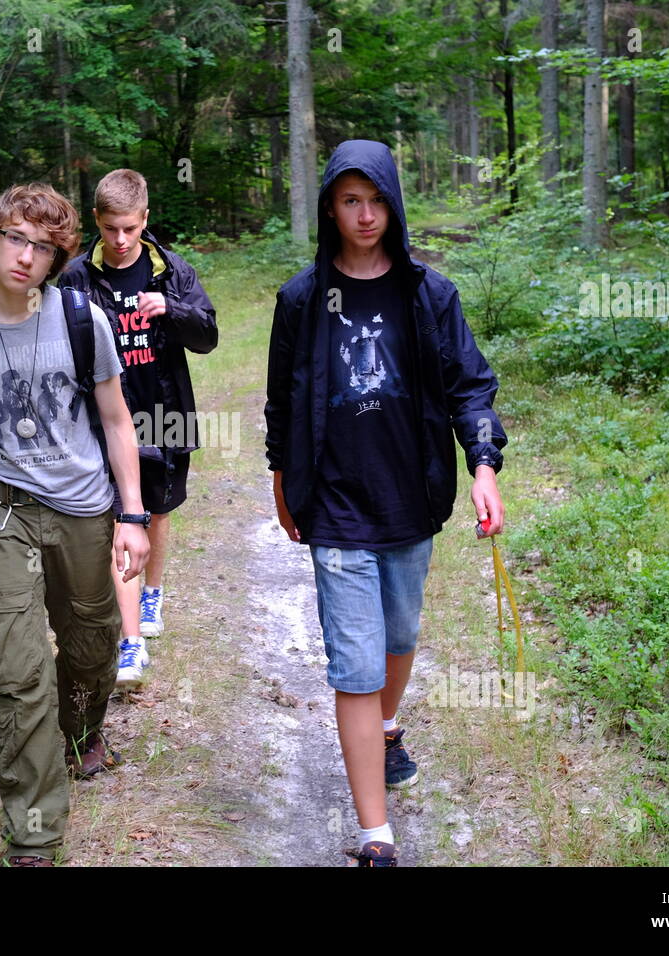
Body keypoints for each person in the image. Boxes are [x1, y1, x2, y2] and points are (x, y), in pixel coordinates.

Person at [264, 140, 508, 867]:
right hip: (336, 504)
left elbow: (471, 385)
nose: (364, 215)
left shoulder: (428, 294)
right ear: (329, 208)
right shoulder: (302, 300)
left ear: (394, 203)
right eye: (349, 201)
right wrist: (283, 482)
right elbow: (283, 404)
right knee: (356, 666)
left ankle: (390, 724)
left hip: (412, 497)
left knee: (400, 637)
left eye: (375, 200)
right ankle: (376, 836)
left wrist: (485, 465)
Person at [0, 183, 151, 866]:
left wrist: (132, 515)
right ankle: (33, 832)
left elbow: (116, 422)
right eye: (16, 240)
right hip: (3, 511)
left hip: (84, 506)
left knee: (90, 647)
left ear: (57, 260)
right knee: (18, 671)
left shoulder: (83, 322)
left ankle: (82, 733)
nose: (26, 257)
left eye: (44, 248)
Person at [60, 169, 218, 688]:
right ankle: (129, 637)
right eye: (109, 229)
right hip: (105, 416)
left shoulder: (172, 271)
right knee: (116, 516)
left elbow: (208, 336)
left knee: (157, 510)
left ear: (145, 219)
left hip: (164, 407)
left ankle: (153, 594)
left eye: (129, 228)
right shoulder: (78, 279)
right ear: (96, 223)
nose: (121, 240)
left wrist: (171, 309)